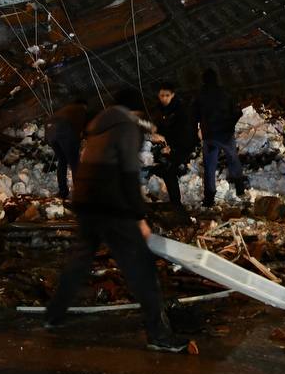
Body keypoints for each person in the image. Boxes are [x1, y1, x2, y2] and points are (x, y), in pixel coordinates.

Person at [46, 89, 188, 353]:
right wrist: (139, 216)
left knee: (79, 261)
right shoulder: (126, 127)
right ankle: (159, 334)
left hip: (87, 202)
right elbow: (128, 173)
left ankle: (53, 315)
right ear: (134, 110)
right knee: (142, 269)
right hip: (111, 204)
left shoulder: (98, 126)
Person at [195, 69, 246, 207]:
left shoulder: (200, 95)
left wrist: (199, 129)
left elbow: (193, 115)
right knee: (233, 159)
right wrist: (230, 125)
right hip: (225, 135)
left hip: (210, 136)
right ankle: (240, 188)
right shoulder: (226, 93)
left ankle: (209, 199)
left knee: (210, 167)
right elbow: (237, 112)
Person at [152, 82, 198, 211]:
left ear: (172, 95)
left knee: (169, 169)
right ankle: (175, 202)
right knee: (167, 171)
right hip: (168, 144)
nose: (164, 98)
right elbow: (161, 125)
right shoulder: (160, 109)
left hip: (181, 144)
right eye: (162, 95)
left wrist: (172, 146)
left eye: (167, 95)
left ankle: (176, 204)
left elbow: (185, 131)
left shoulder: (181, 110)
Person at [45, 98, 92, 201]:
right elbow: (80, 127)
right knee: (75, 164)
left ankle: (63, 191)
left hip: (50, 133)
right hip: (64, 131)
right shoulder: (80, 109)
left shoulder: (66, 109)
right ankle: (80, 193)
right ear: (84, 105)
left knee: (62, 161)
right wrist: (80, 140)